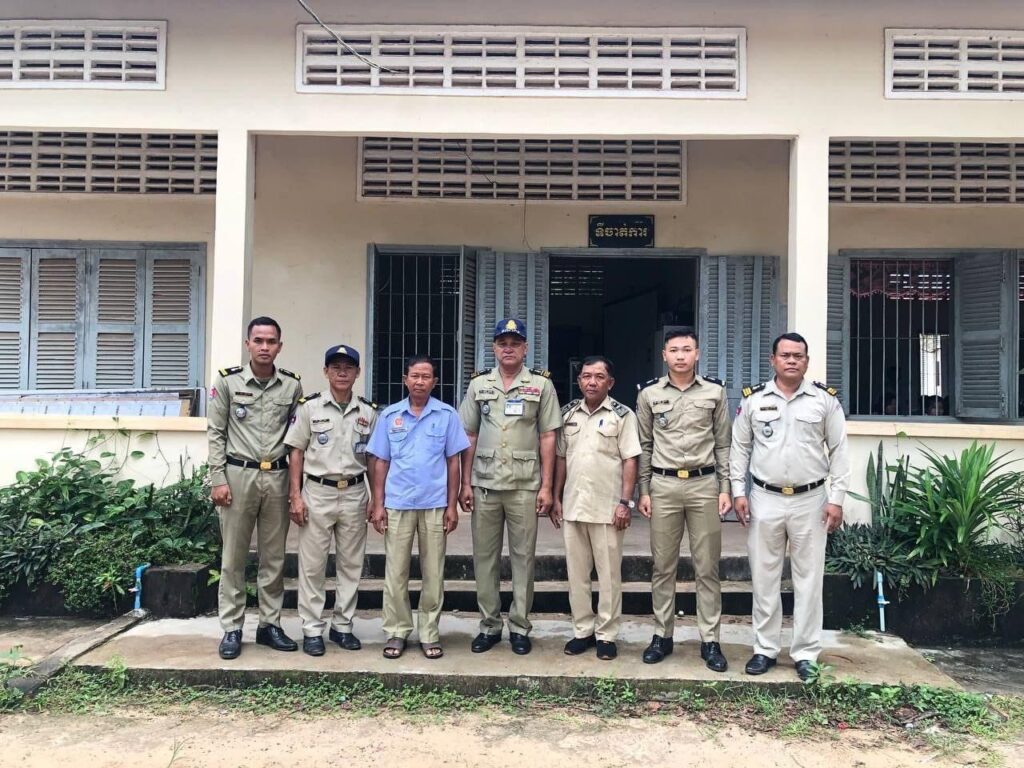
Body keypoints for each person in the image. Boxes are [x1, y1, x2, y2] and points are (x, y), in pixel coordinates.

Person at [730, 332, 851, 681]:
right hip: (764, 498)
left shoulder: (824, 401)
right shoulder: (754, 400)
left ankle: (806, 653)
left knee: (809, 580)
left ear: (807, 361)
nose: (792, 360)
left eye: (798, 355)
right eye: (785, 355)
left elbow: (839, 451)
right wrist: (738, 491)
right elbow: (740, 448)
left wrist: (837, 499)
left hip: (811, 500)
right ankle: (764, 649)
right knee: (764, 577)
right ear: (773, 360)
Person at [459, 318, 561, 656]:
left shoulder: (541, 385)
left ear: (525, 348)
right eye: (502, 343)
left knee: (524, 559)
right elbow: (468, 435)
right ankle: (489, 625)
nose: (508, 349)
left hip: (525, 485)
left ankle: (519, 626)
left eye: (515, 343)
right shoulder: (479, 384)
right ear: (494, 347)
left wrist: (547, 487)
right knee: (484, 559)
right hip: (485, 484)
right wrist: (465, 483)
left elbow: (548, 436)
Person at [635, 328, 732, 671]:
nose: (680, 355)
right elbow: (644, 445)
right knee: (663, 566)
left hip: (704, 485)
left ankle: (710, 640)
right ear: (664, 355)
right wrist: (644, 490)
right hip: (664, 486)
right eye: (674, 350)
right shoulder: (649, 394)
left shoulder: (715, 392)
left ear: (697, 354)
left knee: (707, 567)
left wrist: (725, 488)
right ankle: (662, 635)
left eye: (687, 349)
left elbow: (723, 444)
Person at [208, 316, 303, 659]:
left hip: (277, 477)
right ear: (247, 343)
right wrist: (217, 479)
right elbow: (216, 432)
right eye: (258, 340)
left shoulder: (292, 386)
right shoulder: (228, 382)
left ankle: (269, 625)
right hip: (238, 476)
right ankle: (232, 628)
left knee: (274, 557)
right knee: (233, 557)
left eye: (271, 341)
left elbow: (297, 440)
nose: (265, 347)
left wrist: (296, 489)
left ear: (280, 346)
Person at [367, 355, 470, 660]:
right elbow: (380, 462)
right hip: (397, 503)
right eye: (414, 376)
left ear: (434, 382)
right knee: (395, 571)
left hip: (435, 503)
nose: (420, 382)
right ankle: (397, 630)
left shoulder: (447, 415)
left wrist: (452, 506)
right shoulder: (389, 416)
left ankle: (429, 632)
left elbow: (453, 462)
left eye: (426, 377)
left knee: (433, 572)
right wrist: (378, 503)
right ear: (405, 380)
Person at [284, 344, 379, 657]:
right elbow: (296, 452)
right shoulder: (309, 408)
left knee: (351, 565)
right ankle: (312, 629)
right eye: (336, 367)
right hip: (317, 492)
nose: (342, 373)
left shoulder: (368, 412)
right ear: (325, 371)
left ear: (358, 372)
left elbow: (373, 459)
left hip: (354, 492)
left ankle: (343, 626)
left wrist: (375, 498)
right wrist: (295, 495)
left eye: (348, 367)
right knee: (312, 566)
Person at [552, 356, 641, 661]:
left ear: (610, 383)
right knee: (577, 575)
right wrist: (556, 497)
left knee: (608, 576)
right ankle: (582, 631)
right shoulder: (567, 414)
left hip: (607, 508)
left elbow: (630, 459)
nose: (592, 382)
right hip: (574, 505)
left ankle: (606, 634)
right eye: (586, 376)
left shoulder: (623, 416)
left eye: (599, 377)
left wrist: (625, 502)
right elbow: (561, 458)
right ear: (579, 381)